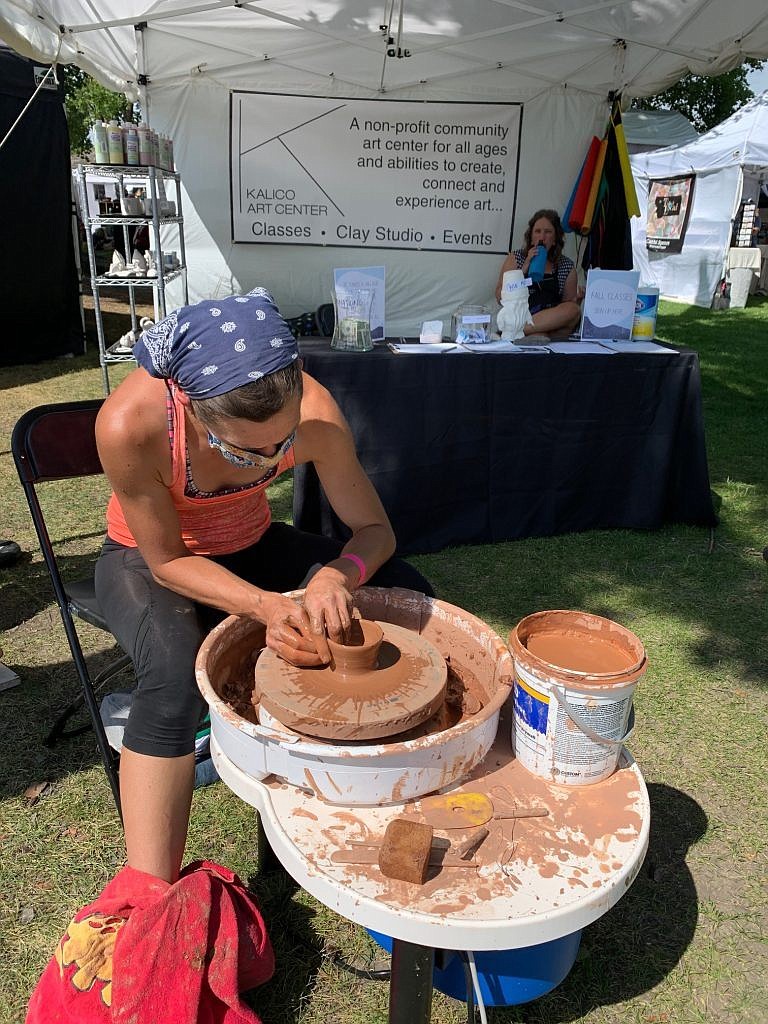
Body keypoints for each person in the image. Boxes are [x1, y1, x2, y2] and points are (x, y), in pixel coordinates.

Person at [94, 287, 433, 884]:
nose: (271, 459)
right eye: (248, 450)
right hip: (151, 560)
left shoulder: (317, 413)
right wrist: (265, 606)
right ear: (191, 406)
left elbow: (375, 531)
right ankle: (148, 896)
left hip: (252, 544)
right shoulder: (130, 424)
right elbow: (168, 559)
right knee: (173, 677)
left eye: (283, 445)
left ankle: (384, 779)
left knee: (405, 591)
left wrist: (336, 575)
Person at [495, 209, 581, 336]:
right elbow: (500, 296)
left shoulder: (565, 266)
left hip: (550, 324)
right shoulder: (517, 258)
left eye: (548, 232)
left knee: (573, 309)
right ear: (531, 238)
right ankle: (524, 330)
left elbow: (566, 307)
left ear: (555, 239)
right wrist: (525, 268)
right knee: (539, 336)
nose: (542, 237)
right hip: (521, 316)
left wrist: (578, 300)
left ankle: (519, 330)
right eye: (537, 231)